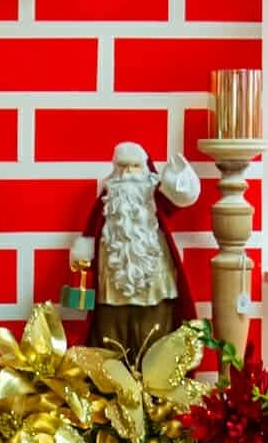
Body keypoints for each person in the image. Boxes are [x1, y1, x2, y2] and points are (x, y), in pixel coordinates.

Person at [70, 142, 200, 363]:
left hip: (154, 284)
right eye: (123, 166)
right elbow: (91, 227)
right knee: (109, 341)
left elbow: (181, 198)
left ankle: (153, 389)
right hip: (112, 284)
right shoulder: (108, 197)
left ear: (145, 169)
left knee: (155, 340)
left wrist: (178, 177)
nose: (128, 173)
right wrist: (83, 254)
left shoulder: (155, 195)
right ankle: (111, 389)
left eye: (134, 166)